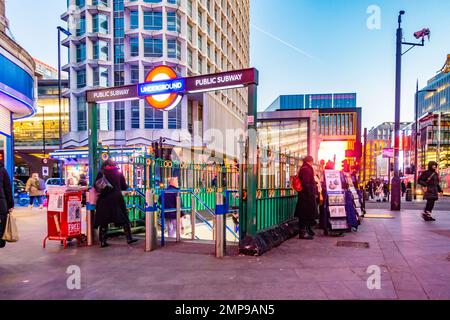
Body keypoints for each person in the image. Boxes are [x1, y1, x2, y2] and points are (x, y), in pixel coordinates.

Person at [95, 159, 138, 248]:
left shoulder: (102, 173)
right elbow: (124, 186)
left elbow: (96, 186)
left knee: (104, 220)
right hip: (116, 198)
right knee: (123, 218)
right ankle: (129, 238)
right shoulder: (118, 173)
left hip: (104, 199)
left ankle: (103, 241)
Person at [295, 156, 319, 240]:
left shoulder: (305, 168)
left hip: (305, 196)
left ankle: (306, 231)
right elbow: (305, 183)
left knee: (306, 215)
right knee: (304, 215)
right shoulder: (306, 169)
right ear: (310, 161)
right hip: (306, 197)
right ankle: (303, 233)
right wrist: (311, 193)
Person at [0, 162, 14, 248]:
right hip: (1, 204)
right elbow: (7, 189)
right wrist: (10, 205)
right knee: (1, 223)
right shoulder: (2, 170)